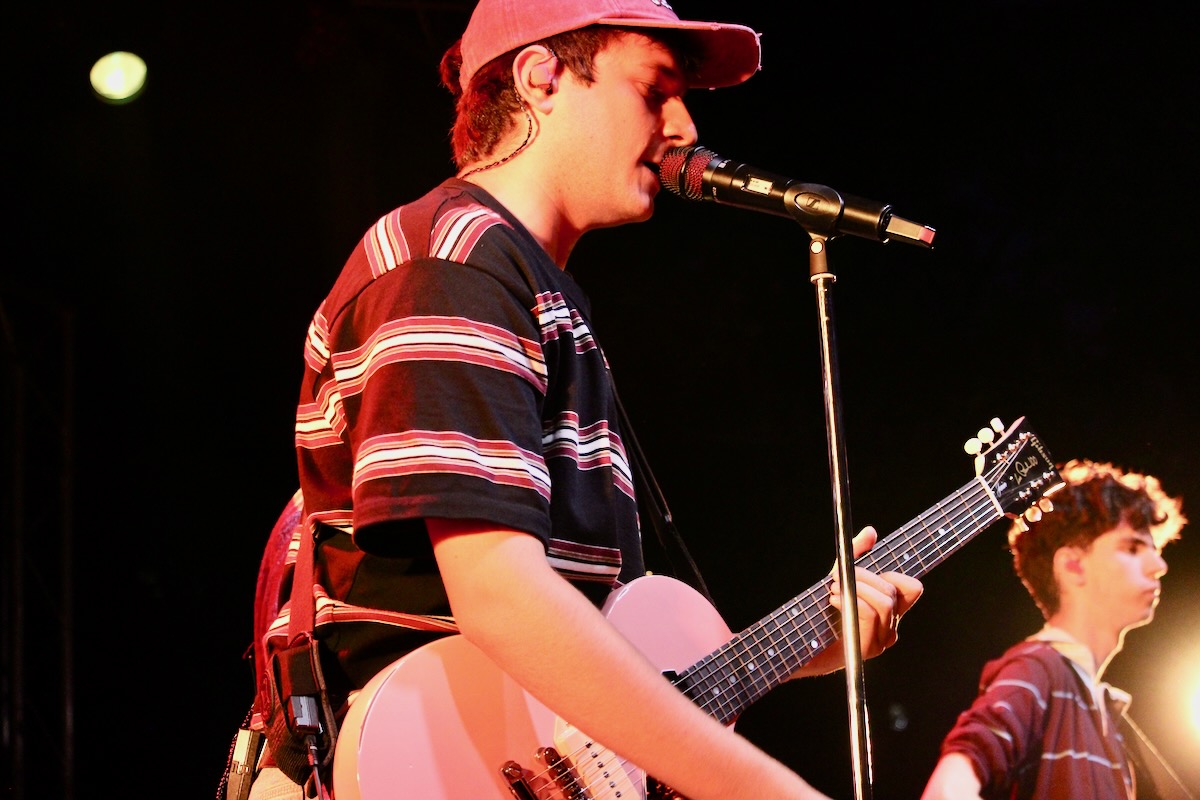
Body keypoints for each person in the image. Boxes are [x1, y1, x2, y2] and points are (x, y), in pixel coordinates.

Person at [241, 1, 924, 798]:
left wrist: (803, 648)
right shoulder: (450, 265)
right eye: (655, 91)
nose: (684, 128)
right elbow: (500, 595)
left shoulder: (531, 290)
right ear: (542, 77)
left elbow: (577, 670)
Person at [920, 458, 1186, 800]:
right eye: (1132, 548)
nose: (1159, 565)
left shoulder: (1107, 714)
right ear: (1072, 566)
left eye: (1156, 550)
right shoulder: (1037, 668)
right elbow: (947, 790)